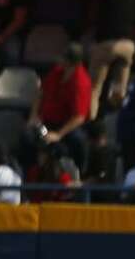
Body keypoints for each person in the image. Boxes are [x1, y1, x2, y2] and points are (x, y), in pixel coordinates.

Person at [30, 43, 92, 173]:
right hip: (46, 120)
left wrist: (59, 134)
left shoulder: (81, 82)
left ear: (71, 61)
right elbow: (41, 93)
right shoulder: (57, 71)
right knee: (27, 136)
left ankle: (80, 174)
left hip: (67, 125)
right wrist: (34, 115)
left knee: (78, 140)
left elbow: (79, 117)